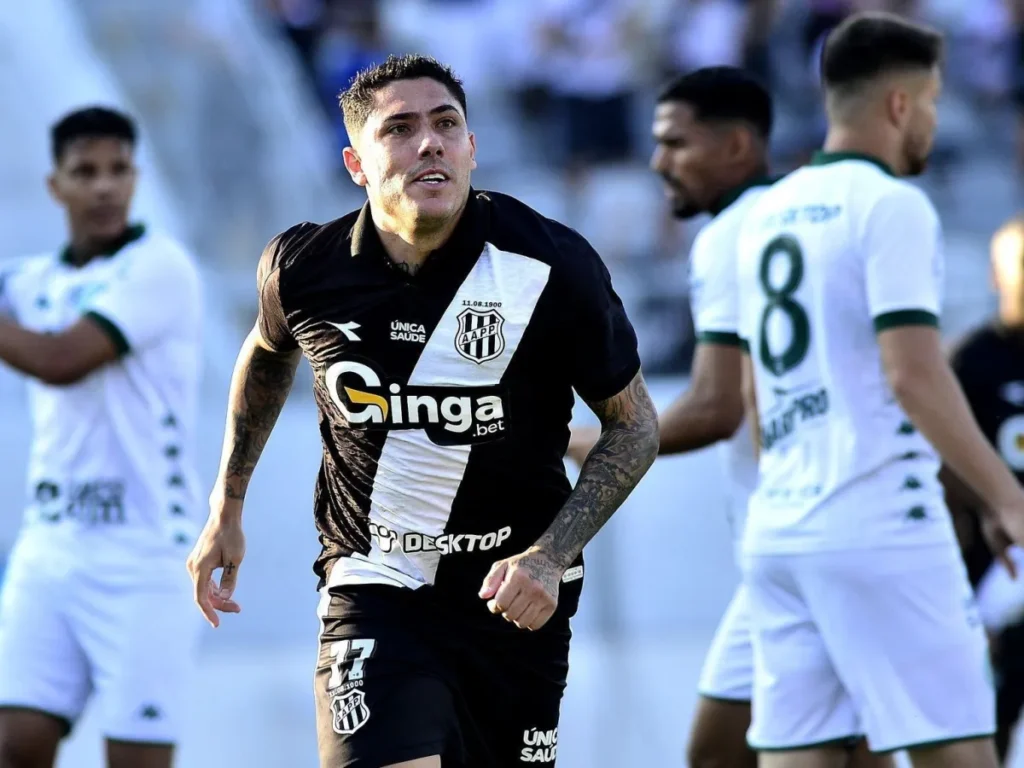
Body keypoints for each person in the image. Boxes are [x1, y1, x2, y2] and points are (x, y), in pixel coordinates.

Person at [185, 54, 659, 768]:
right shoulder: (306, 267)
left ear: (471, 147)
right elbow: (266, 352)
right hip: (374, 578)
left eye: (446, 124)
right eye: (399, 129)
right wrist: (227, 503)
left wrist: (550, 555)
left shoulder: (552, 265)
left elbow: (635, 426)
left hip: (514, 595)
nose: (429, 143)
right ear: (356, 163)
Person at [566, 65, 889, 768]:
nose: (659, 163)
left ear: (738, 145)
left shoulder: (734, 235)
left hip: (807, 536)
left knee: (806, 748)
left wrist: (585, 440)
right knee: (763, 748)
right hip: (828, 530)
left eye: (676, 143)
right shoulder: (805, 220)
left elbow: (716, 407)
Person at [734, 12, 1024, 768]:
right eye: (931, 101)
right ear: (900, 103)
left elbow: (755, 394)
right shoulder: (891, 203)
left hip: (781, 530)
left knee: (799, 759)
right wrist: (1006, 499)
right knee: (961, 756)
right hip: (882, 527)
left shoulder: (763, 212)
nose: (933, 119)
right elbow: (913, 372)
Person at [0, 107, 203, 768]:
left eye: (118, 170)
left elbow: (60, 360)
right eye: (84, 172)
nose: (104, 186)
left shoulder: (160, 267)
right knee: (15, 744)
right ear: (54, 185)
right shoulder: (27, 281)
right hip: (49, 546)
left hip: (145, 555)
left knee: (133, 761)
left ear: (136, 178)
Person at [944, 215, 1024, 765]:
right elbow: (943, 465)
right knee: (987, 715)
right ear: (996, 275)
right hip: (998, 562)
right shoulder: (971, 359)